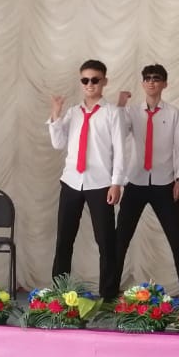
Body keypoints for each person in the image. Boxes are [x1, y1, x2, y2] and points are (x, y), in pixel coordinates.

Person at [48, 59, 127, 300]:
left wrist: (116, 182)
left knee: (105, 241)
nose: (89, 84)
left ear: (104, 81)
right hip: (71, 180)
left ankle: (108, 294)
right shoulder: (73, 112)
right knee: (64, 239)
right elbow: (58, 143)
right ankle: (59, 292)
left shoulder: (112, 113)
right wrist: (55, 114)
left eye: (95, 79)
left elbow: (120, 150)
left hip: (100, 183)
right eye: (85, 80)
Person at [113, 64, 179, 298]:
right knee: (120, 239)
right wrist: (120, 106)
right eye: (147, 78)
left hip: (164, 183)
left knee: (176, 239)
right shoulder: (131, 112)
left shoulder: (172, 113)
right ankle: (108, 292)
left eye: (156, 78)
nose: (151, 82)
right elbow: (118, 133)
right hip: (136, 182)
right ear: (142, 83)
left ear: (164, 84)